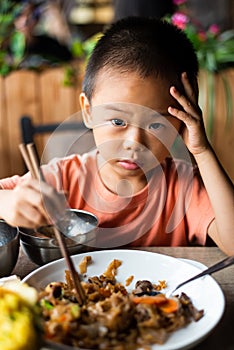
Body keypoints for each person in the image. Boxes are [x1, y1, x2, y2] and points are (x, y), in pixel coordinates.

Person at [0, 17, 233, 254]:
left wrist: (202, 151)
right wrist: (6, 202)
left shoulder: (183, 187)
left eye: (156, 125)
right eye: (118, 121)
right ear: (88, 111)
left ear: (181, 123)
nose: (134, 143)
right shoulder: (61, 179)